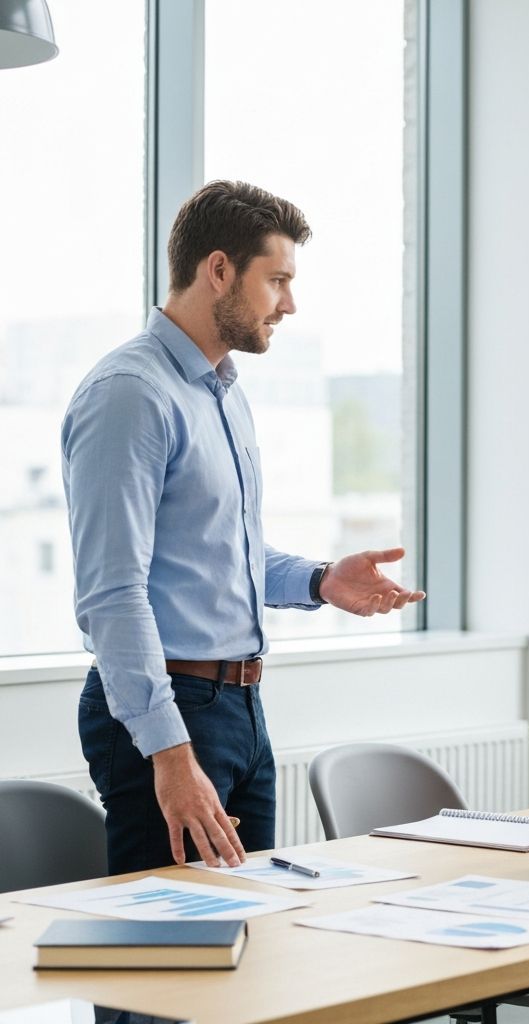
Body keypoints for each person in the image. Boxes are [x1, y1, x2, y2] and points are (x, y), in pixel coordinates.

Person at [62, 180, 425, 875]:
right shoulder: (130, 395)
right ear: (219, 269)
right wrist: (169, 754)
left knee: (250, 948)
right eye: (278, 281)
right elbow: (112, 593)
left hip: (241, 710)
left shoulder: (221, 392)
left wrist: (320, 580)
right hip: (169, 711)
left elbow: (224, 556)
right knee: (164, 957)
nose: (289, 304)